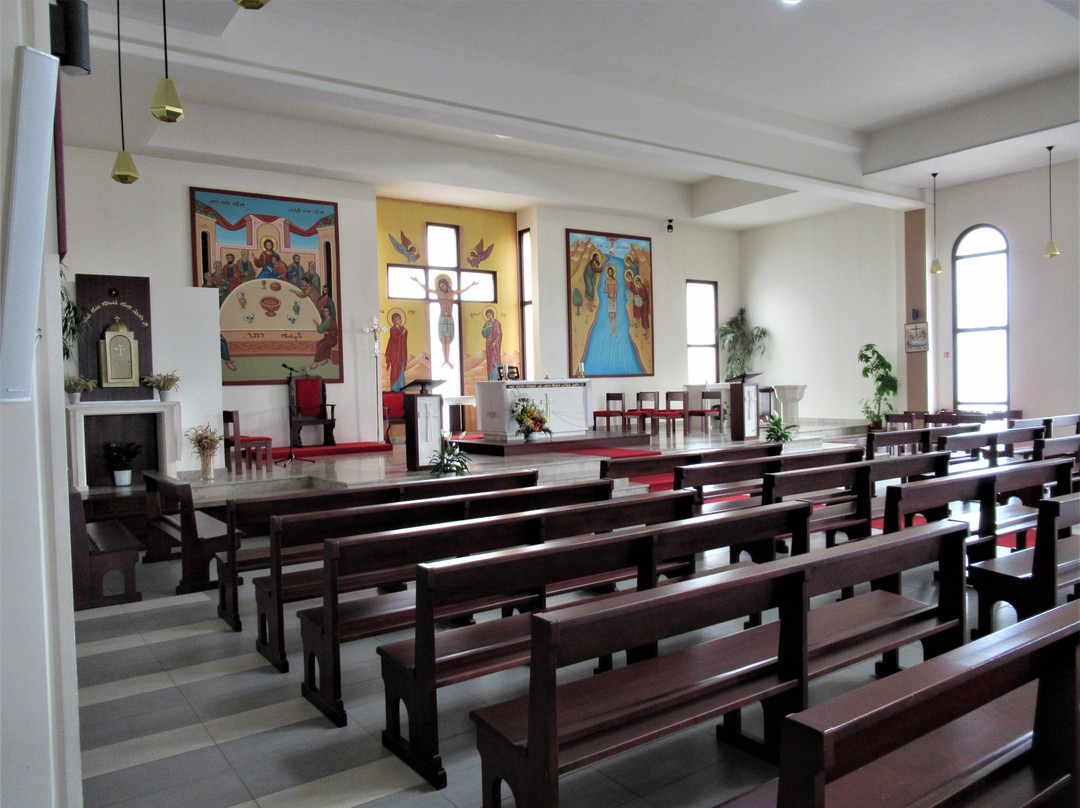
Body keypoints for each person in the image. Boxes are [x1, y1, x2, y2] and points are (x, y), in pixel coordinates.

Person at [412, 273, 477, 368]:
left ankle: (448, 359)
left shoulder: (452, 293)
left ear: (447, 284)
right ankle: (445, 360)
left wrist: (471, 285)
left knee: (448, 340)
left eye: (443, 285)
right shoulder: (439, 293)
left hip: (450, 318)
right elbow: (428, 290)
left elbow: (462, 291)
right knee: (443, 340)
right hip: (442, 318)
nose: (442, 287)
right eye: (440, 286)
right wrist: (417, 281)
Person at [384, 311, 408, 391]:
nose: (400, 320)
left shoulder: (402, 328)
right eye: (398, 319)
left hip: (401, 354)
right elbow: (395, 339)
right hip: (395, 354)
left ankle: (401, 387)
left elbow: (404, 338)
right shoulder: (393, 329)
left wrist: (403, 333)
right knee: (395, 370)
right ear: (395, 321)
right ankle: (394, 388)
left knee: (401, 370)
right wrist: (401, 334)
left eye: (400, 319)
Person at [310, 304, 338, 369]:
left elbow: (335, 332)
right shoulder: (324, 320)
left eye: (326, 311)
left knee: (321, 346)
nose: (325, 313)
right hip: (327, 338)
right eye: (324, 311)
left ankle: (315, 362)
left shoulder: (332, 320)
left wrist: (328, 333)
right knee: (318, 343)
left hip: (333, 340)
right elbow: (321, 329)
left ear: (329, 312)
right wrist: (317, 324)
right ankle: (325, 359)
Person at [482, 307, 503, 380]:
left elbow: (499, 334)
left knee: (495, 358)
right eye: (488, 315)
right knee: (490, 360)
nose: (489, 316)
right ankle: (491, 378)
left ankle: (497, 377)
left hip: (495, 345)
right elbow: (483, 332)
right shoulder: (487, 323)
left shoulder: (497, 323)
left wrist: (495, 342)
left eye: (490, 314)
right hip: (488, 343)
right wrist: (487, 328)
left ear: (492, 314)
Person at [604, 265, 619, 336]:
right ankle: (612, 329)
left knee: (614, 315)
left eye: (611, 272)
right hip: (609, 299)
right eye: (609, 272)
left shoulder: (615, 281)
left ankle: (614, 329)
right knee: (610, 315)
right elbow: (605, 290)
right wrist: (608, 290)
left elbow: (616, 291)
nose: (610, 273)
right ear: (608, 273)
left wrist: (614, 300)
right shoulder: (607, 281)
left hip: (614, 300)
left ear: (613, 272)